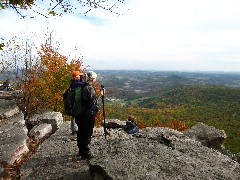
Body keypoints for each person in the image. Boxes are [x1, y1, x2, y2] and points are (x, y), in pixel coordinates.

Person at [75, 71, 101, 159]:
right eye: (95, 78)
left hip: (81, 112)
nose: (95, 79)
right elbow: (92, 101)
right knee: (87, 132)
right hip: (88, 113)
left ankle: (81, 149)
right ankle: (84, 152)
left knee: (82, 130)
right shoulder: (89, 88)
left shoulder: (82, 85)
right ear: (92, 78)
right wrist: (100, 95)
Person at [70, 71, 84, 135]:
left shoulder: (74, 82)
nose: (80, 76)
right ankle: (74, 130)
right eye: (79, 76)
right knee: (75, 115)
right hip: (75, 102)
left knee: (75, 115)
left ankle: (75, 129)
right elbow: (83, 84)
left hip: (74, 101)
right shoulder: (76, 83)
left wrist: (81, 78)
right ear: (76, 77)